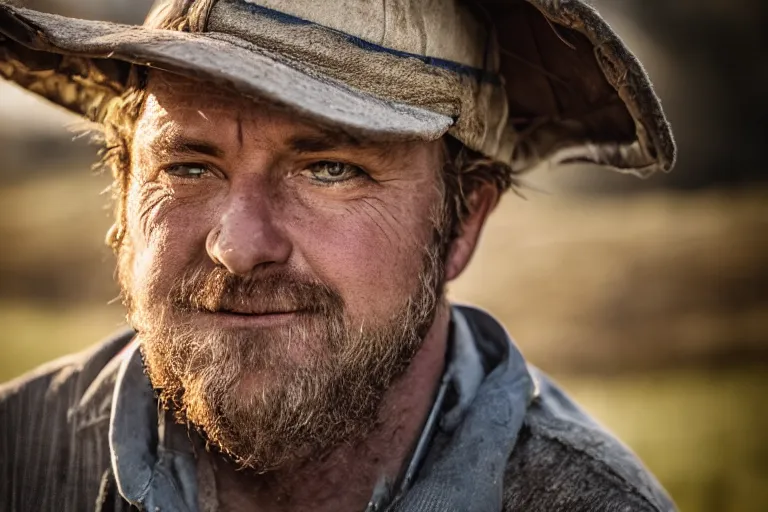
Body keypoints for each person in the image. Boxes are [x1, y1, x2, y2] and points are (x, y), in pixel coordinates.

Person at [0, 1, 677, 511]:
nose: (238, 247)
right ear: (122, 194)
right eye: (187, 167)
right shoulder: (18, 457)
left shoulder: (585, 501)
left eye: (329, 169)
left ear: (463, 220)